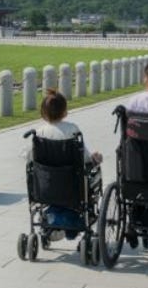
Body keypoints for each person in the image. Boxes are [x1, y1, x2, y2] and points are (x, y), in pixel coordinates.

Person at [23, 89, 102, 240]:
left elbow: (29, 157)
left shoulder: (38, 133)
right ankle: (73, 223)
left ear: (43, 113)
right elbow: (83, 157)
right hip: (72, 187)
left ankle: (52, 222)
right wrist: (94, 158)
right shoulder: (72, 130)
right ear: (65, 112)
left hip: (46, 187)